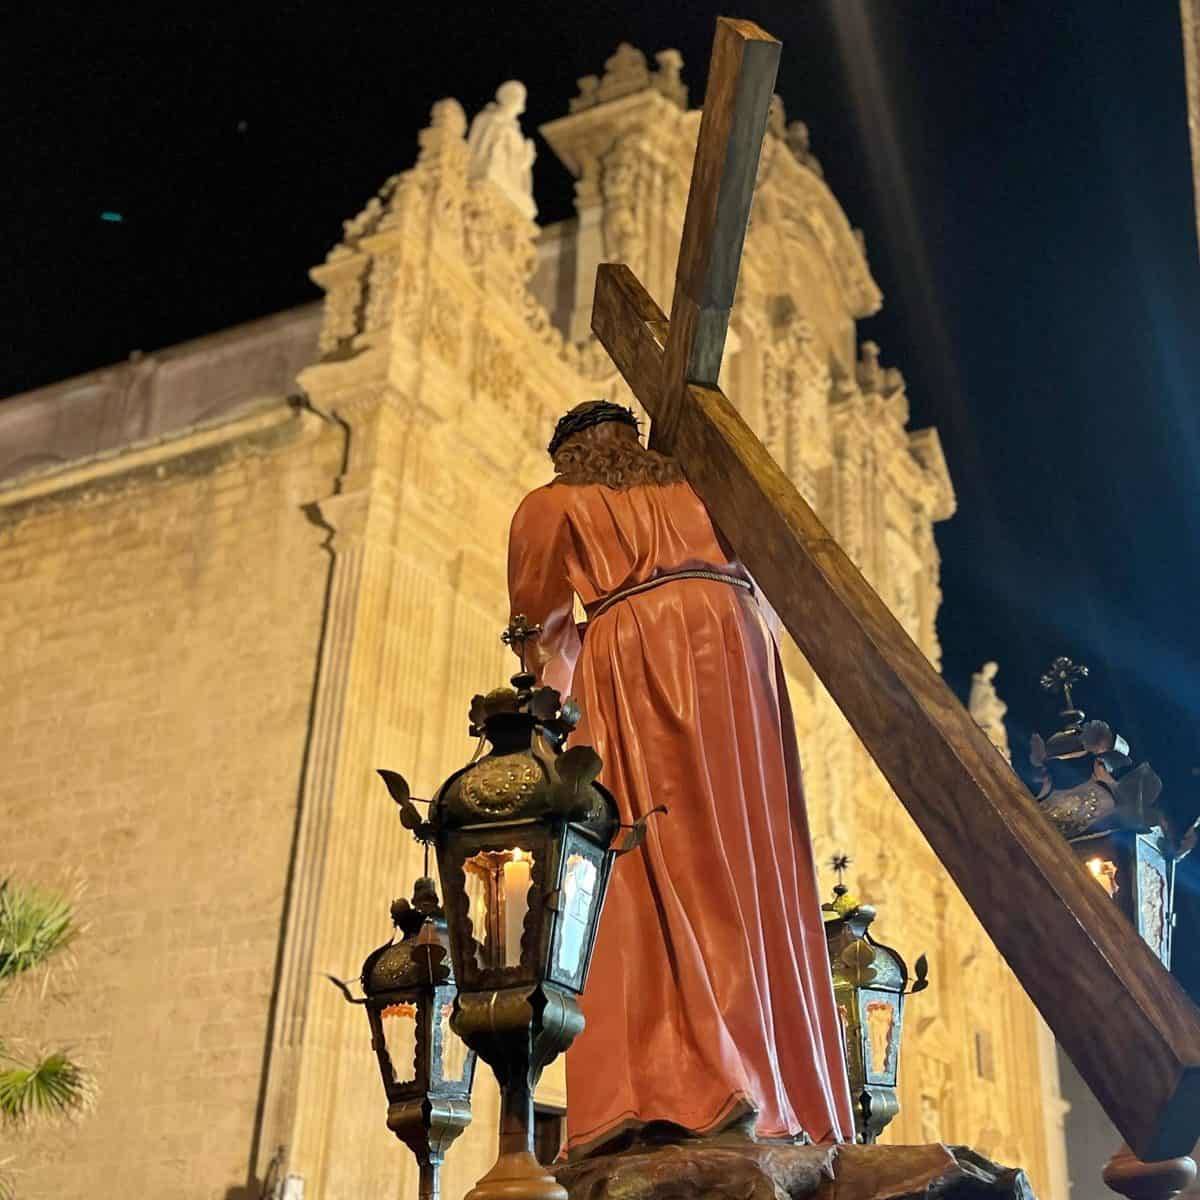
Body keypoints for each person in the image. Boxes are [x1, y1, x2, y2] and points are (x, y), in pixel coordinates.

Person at [506, 399, 854, 1158]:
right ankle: (789, 1086)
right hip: (738, 650)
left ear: (567, 454)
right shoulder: (701, 487)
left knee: (648, 853)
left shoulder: (554, 502)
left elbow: (536, 626)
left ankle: (680, 1080)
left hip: (638, 653)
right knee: (755, 859)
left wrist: (549, 709)